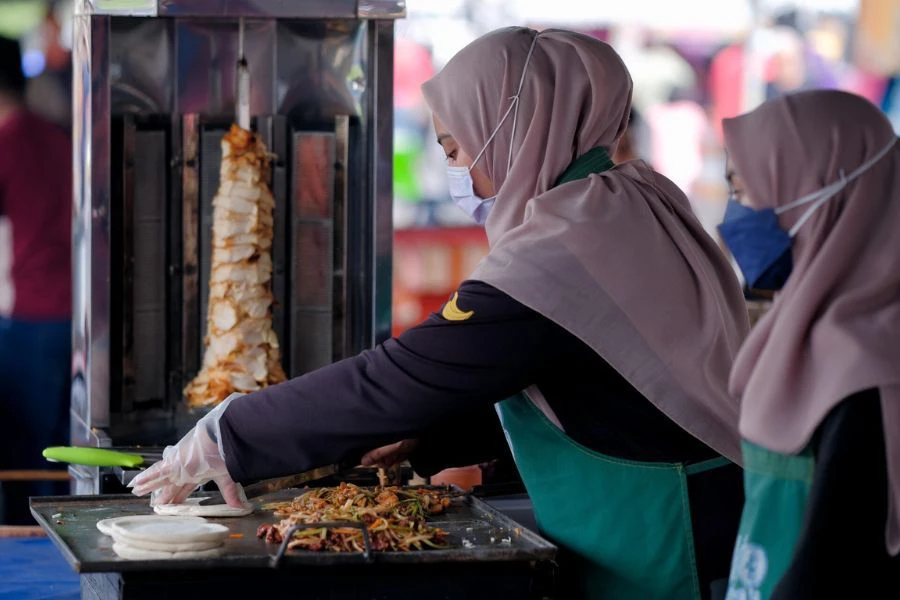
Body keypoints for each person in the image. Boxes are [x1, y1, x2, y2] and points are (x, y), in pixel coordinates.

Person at [132, 28, 749, 599]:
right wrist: (432, 436)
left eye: (457, 149)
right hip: (689, 504)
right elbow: (590, 375)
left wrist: (227, 432)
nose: (458, 172)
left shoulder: (564, 248)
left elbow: (397, 378)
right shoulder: (627, 198)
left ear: (516, 132)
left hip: (671, 532)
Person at [717, 90, 900, 599]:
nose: (736, 217)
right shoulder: (802, 334)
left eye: (747, 192)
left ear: (827, 194)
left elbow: (833, 565)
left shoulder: (868, 370)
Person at [0, 36, 72, 524]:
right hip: (73, 312)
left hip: (32, 315)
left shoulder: (7, 140)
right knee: (58, 448)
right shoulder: (54, 134)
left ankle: (36, 555)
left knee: (28, 457)